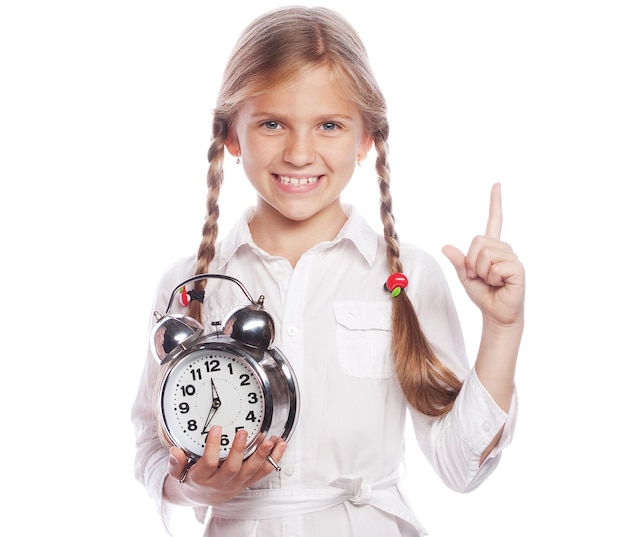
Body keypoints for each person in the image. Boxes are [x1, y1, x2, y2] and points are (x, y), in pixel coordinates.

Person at [132, 5, 525, 536]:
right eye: (272, 123)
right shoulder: (190, 289)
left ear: (366, 139)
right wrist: (195, 487)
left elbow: (460, 466)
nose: (299, 152)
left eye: (329, 125)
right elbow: (151, 448)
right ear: (231, 135)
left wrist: (502, 329)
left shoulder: (407, 279)